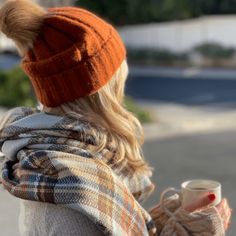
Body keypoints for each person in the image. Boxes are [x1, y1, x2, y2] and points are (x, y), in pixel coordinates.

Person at [0, 0, 232, 235]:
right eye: (119, 67)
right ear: (102, 86)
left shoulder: (68, 166)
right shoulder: (74, 199)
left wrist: (159, 222)